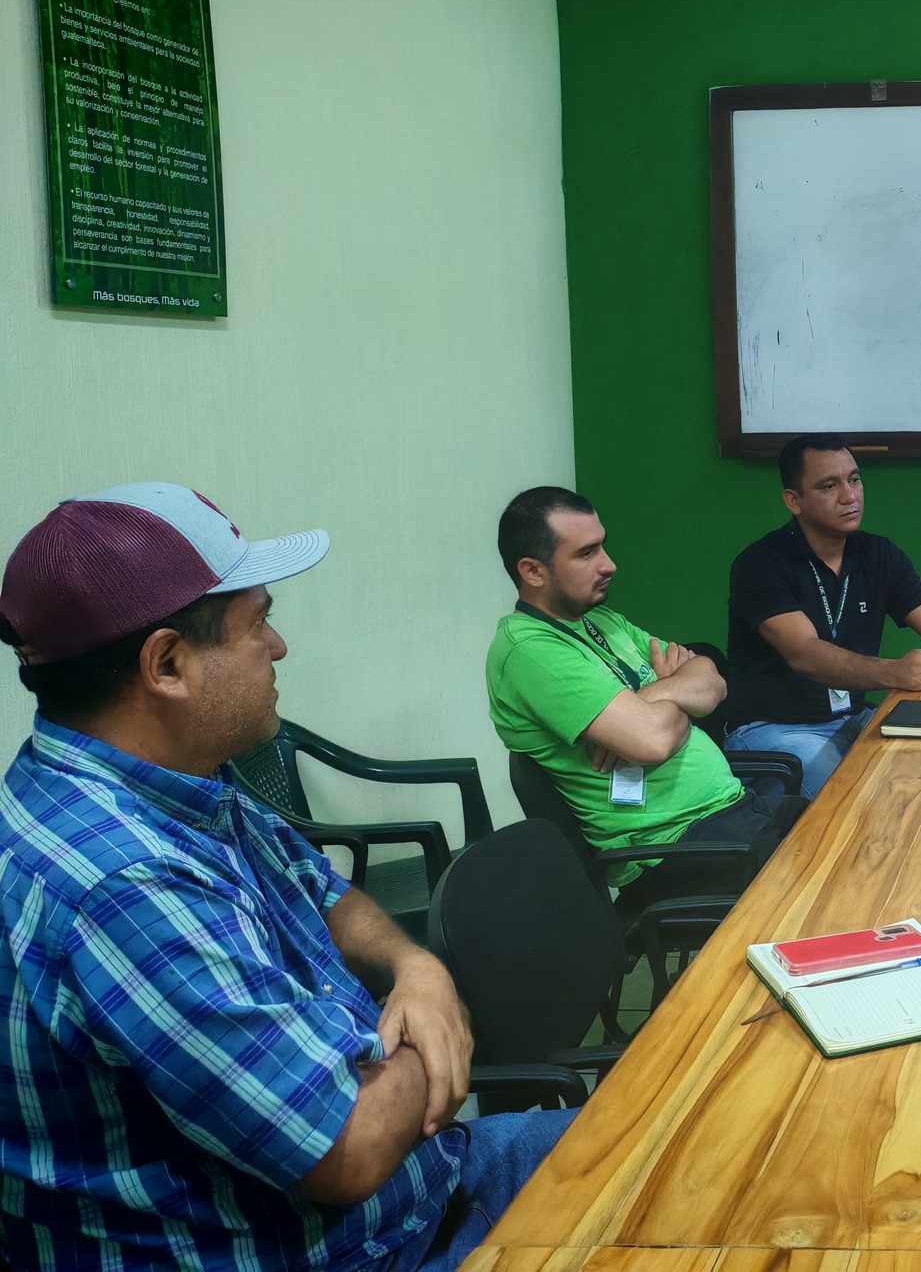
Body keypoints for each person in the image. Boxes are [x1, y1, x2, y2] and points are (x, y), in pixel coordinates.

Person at [0, 483, 572, 1271]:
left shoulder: (168, 778)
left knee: (683, 1136)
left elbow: (321, 888)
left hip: (427, 1189)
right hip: (359, 1249)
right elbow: (349, 1147)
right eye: (257, 624)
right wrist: (431, 1032)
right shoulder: (124, 885)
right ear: (167, 663)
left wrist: (418, 969)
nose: (278, 647)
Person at [487, 487, 801, 913]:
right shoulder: (530, 651)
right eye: (586, 553)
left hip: (730, 811)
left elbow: (713, 679)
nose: (609, 564)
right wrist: (675, 696)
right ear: (533, 571)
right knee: (842, 866)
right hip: (673, 849)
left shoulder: (602, 621)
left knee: (854, 826)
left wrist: (650, 696)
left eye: (603, 546)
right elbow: (652, 741)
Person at [725, 435, 921, 793]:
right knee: (858, 796)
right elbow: (804, 653)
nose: (849, 496)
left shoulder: (878, 554)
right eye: (829, 486)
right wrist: (894, 672)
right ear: (793, 500)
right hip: (775, 728)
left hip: (854, 717)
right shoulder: (761, 564)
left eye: (854, 479)